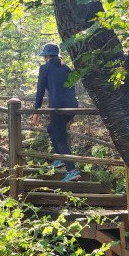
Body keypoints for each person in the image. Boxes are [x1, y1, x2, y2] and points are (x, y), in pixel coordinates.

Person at [32, 43, 80, 181]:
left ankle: (71, 170)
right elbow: (72, 90)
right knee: (51, 128)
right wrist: (72, 113)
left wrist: (36, 112)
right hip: (72, 106)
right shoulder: (66, 68)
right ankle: (60, 158)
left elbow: (40, 91)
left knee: (60, 139)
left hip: (58, 107)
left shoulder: (45, 68)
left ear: (46, 56)